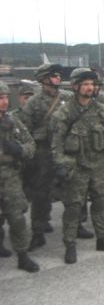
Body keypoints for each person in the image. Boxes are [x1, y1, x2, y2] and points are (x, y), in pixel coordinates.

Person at [50, 68, 104, 264]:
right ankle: (70, 245)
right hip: (76, 167)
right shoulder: (64, 113)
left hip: (97, 167)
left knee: (100, 203)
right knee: (73, 207)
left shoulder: (101, 110)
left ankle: (102, 238)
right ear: (75, 86)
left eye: (92, 84)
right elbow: (56, 144)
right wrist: (61, 165)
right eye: (86, 84)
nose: (90, 88)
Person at [17, 63, 73, 250]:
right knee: (41, 194)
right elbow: (25, 130)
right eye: (54, 75)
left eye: (59, 75)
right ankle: (38, 232)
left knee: (73, 189)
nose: (58, 78)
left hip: (65, 149)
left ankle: (76, 226)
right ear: (43, 79)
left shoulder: (67, 98)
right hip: (43, 152)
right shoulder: (34, 102)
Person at [0, 82, 40, 272]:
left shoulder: (13, 122)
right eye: (0, 98)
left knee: (17, 217)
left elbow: (31, 145)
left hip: (10, 177)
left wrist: (19, 150)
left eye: (6, 97)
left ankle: (22, 255)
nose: (4, 102)